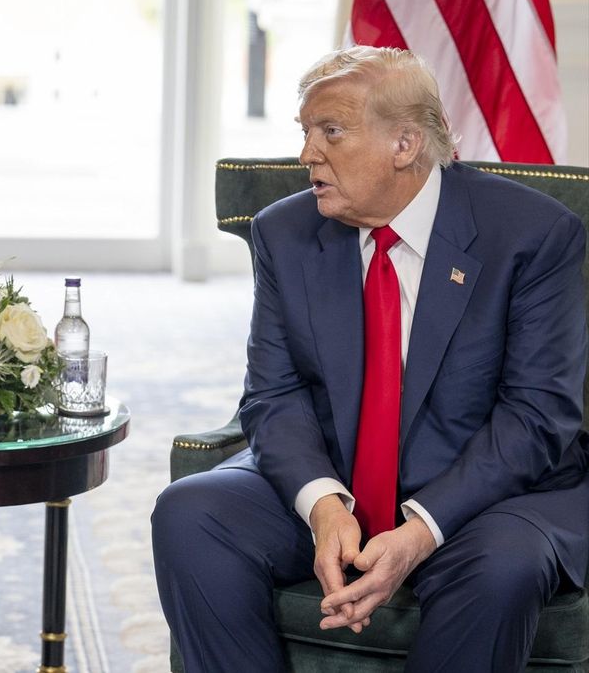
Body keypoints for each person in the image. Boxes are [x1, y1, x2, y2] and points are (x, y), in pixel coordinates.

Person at [152, 46, 588, 672]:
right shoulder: (286, 232)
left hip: (482, 498)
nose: (307, 155)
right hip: (338, 475)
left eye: (330, 131)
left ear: (405, 144)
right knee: (191, 512)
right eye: (305, 132)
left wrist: (420, 530)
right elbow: (272, 396)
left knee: (504, 568)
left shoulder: (531, 234)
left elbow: (538, 417)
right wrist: (325, 505)